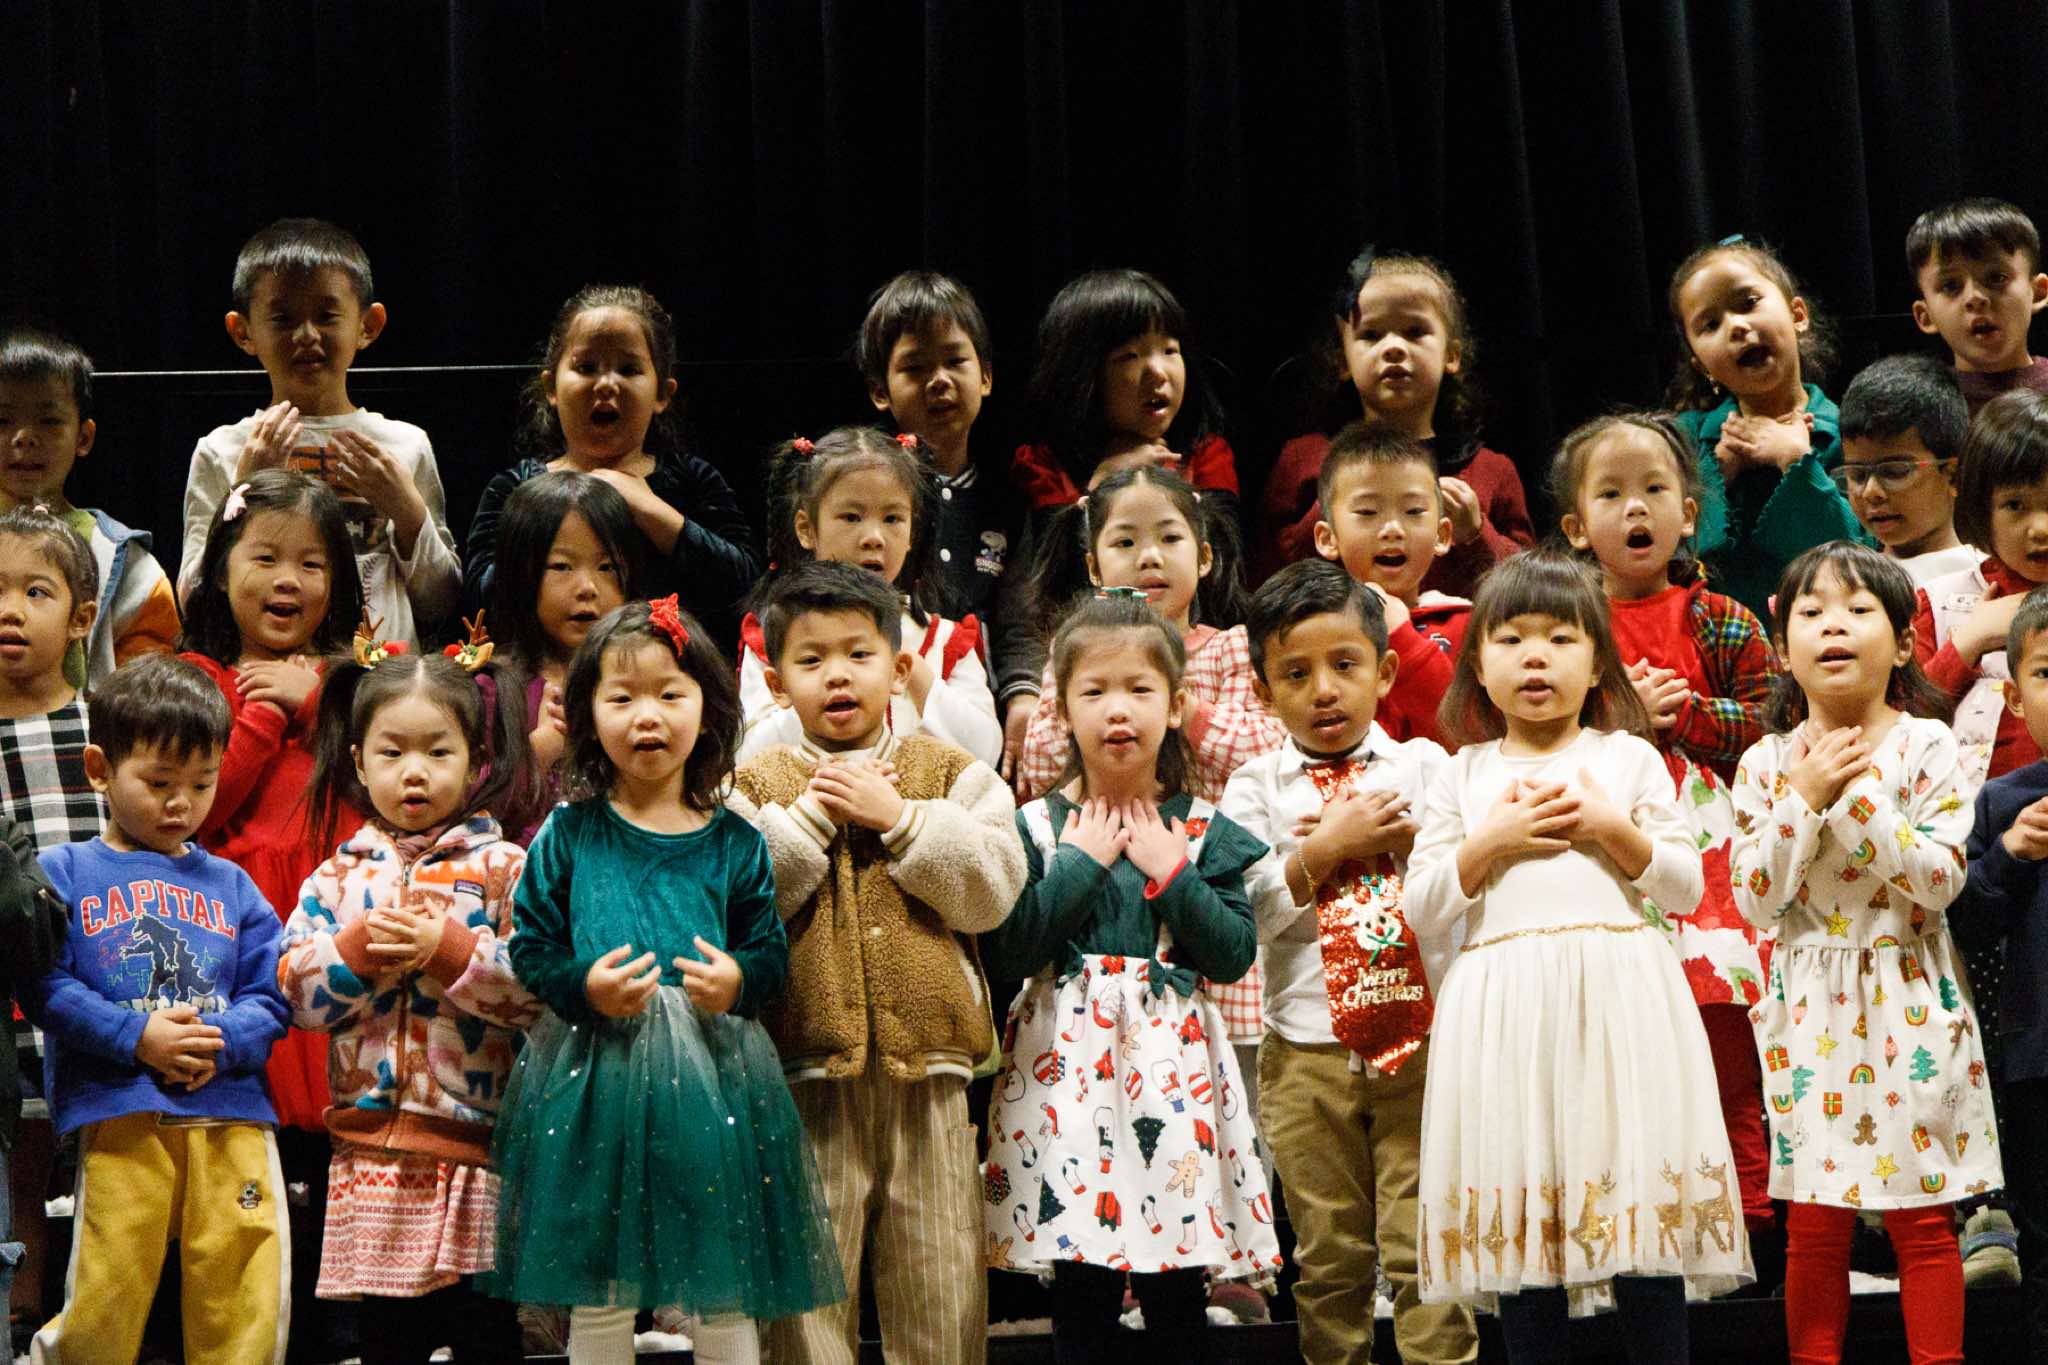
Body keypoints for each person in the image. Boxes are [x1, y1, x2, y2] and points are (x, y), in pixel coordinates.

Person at [1406, 549, 1749, 1363]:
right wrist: (1489, 841)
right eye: (1511, 638)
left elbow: (1681, 885)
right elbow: (1422, 906)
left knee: (1638, 1218)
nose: (1536, 657)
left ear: (1598, 663)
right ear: (1476, 663)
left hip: (1619, 1007)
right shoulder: (1461, 774)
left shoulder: (1626, 759)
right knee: (1527, 1229)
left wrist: (1609, 827)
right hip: (1507, 1015)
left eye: (1560, 638)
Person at [489, 597, 843, 1364]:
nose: (646, 716)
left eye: (669, 694)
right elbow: (533, 948)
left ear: (707, 708)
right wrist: (584, 985)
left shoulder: (736, 841)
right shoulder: (569, 833)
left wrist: (738, 978)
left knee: (723, 1283)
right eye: (621, 697)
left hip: (715, 1080)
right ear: (588, 717)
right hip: (596, 1079)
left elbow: (769, 953)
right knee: (601, 1289)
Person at [726, 561, 1024, 1365]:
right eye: (812, 658)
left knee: (941, 1285)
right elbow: (735, 901)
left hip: (931, 1076)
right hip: (803, 1078)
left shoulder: (951, 773)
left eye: (858, 654)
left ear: (897, 668)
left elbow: (996, 888)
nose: (838, 674)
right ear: (777, 685)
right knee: (806, 1303)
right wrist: (810, 820)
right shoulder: (753, 786)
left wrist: (903, 820)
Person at [982, 588, 1280, 1363]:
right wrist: (1079, 865)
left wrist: (1174, 872)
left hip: (1171, 1078)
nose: (1118, 709)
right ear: (1061, 711)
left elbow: (1232, 952)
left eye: (1139, 689)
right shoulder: (1036, 826)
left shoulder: (1202, 829)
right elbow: (1008, 951)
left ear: (1175, 705)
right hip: (1067, 1079)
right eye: (1095, 691)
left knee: (1176, 1283)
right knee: (1081, 1283)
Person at [1730, 542, 1994, 1365]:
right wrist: (1804, 796)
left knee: (1923, 1218)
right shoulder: (1766, 763)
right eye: (1811, 612)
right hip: (1810, 1012)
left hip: (1908, 995)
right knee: (1814, 1222)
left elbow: (1939, 880)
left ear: (1905, 640)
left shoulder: (1927, 746)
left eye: (1857, 610)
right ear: (1784, 649)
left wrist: (1854, 799)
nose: (1833, 625)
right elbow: (1756, 897)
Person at [1218, 558, 1478, 1364]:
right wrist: (1323, 850)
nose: (1324, 690)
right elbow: (1246, 915)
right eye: (1296, 674)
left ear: (1385, 672)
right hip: (1306, 1050)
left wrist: (1411, 847)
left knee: (1427, 1247)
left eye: (1344, 665)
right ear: (1263, 691)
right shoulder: (1253, 787)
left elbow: (1464, 889)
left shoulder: (1429, 768)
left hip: (1422, 1043)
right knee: (1329, 1255)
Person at [1553, 412, 1783, 1280]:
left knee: (1725, 1054)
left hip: (1711, 868)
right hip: (1612, 855)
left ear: (1688, 512)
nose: (1635, 508)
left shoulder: (1721, 619)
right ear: (1577, 525)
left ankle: (1752, 1221)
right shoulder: (1565, 625)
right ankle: (1635, 1238)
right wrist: (1622, 717)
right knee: (1623, 1062)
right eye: (1611, 493)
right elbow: (1539, 728)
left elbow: (1769, 722)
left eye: (1653, 489)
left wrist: (1681, 715)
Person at [26, 653, 291, 1364]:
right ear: (99, 768)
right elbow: (43, 986)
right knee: (108, 1286)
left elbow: (272, 994)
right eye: (160, 782)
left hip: (229, 1110)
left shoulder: (232, 883)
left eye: (202, 783)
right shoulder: (65, 871)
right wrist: (136, 1035)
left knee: (243, 1282)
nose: (182, 804)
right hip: (119, 1111)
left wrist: (215, 1041)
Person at [279, 650, 540, 1363]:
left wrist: (447, 949)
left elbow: (537, 991)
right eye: (392, 752)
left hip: (477, 1154)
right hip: (374, 1152)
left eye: (438, 751)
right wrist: (356, 950)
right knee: (390, 1339)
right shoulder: (335, 878)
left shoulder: (506, 869)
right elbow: (295, 994)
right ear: (360, 763)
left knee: (487, 1334)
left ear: (478, 760)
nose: (414, 772)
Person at [178, 467, 366, 1355]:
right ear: (220, 570)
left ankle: (339, 1327)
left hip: (337, 942)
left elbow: (394, 771)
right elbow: (200, 804)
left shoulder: (361, 682)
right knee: (255, 1167)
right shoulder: (196, 680)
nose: (288, 580)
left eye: (311, 563)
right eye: (265, 557)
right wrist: (262, 712)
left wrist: (318, 695)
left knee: (336, 1153)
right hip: (240, 947)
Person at [1016, 465, 1280, 1061]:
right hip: (1101, 856)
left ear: (1205, 556)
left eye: (1169, 537)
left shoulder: (1230, 645)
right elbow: (1040, 762)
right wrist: (1104, 683)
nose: (1149, 556)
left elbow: (1264, 748)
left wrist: (1174, 702)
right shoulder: (1073, 649)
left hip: (1193, 869)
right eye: (1125, 541)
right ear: (1094, 568)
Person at [180, 217, 459, 649]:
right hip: (261, 677)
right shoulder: (223, 450)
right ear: (243, 332)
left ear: (368, 325)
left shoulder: (405, 445)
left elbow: (439, 601)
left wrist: (407, 512)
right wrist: (242, 490)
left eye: (327, 316)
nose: (307, 335)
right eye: (282, 318)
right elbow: (193, 602)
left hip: (381, 680)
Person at [1003, 269, 1244, 718]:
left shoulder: (1206, 459)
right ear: (1082, 371)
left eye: (1169, 350)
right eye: (1130, 356)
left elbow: (1222, 590)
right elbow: (1044, 595)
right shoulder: (1046, 468)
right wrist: (1098, 492)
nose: (1158, 371)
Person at [464, 284, 760, 649]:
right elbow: (481, 602)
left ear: (662, 394)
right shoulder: (515, 487)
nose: (606, 384)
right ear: (551, 387)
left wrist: (650, 510)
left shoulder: (693, 480)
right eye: (586, 367)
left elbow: (746, 592)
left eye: (628, 369)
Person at [1256, 245, 1532, 593]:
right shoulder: (1304, 460)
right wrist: (1334, 507)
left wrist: (1477, 534)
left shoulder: (1492, 471)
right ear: (1343, 361)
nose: (1394, 347)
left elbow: (1531, 589)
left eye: (1415, 332)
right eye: (1371, 335)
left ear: (1451, 355)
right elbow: (1269, 578)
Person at [857, 270, 1038, 778]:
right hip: (882, 715)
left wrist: (1024, 694)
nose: (939, 380)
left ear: (986, 376)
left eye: (956, 361)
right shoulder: (863, 494)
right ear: (880, 390)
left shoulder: (1007, 501)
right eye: (915, 367)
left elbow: (1020, 623)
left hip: (978, 721)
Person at [738, 427, 1000, 767]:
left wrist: (908, 666)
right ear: (806, 528)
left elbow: (985, 753)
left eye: (892, 518)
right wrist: (810, 678)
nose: (875, 537)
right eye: (851, 517)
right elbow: (747, 759)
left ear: (912, 531)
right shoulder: (774, 638)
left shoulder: (945, 641)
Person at [1666, 236, 1864, 619]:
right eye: (1711, 324)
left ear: (1797, 315)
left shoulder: (1850, 432)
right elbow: (1659, 559)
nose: (1737, 326)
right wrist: (1715, 473)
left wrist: (1796, 461)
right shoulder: (1683, 442)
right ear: (1701, 365)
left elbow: (1857, 558)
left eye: (1748, 303)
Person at [1953, 584, 2048, 1352]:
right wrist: (2010, 856)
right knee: (2043, 1240)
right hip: (2038, 1059)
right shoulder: (2001, 802)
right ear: (2015, 697)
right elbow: (1967, 922)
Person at [0, 324, 178, 687]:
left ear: (83, 437)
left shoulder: (122, 560)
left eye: (49, 421)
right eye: (2, 420)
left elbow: (150, 689)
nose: (25, 437)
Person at [484, 470, 647, 844]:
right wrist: (542, 749)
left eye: (607, 567)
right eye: (562, 566)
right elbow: (462, 802)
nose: (588, 587)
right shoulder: (495, 688)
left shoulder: (648, 679)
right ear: (521, 574)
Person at [1912, 388, 2048, 788]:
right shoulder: (1937, 603)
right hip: (1966, 817)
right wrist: (1968, 642)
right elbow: (1899, 722)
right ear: (1980, 508)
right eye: (2015, 505)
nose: (2040, 528)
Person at [1310, 423, 1472, 746]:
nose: (1393, 529)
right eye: (1368, 512)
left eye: (1413, 511)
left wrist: (1402, 636)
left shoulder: (1470, 625)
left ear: (1442, 535)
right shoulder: (1311, 632)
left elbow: (1467, 733)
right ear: (1328, 538)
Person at [1836, 355, 1977, 587]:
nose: (1871, 492)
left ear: (1953, 476)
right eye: (1857, 475)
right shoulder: (1841, 583)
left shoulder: (1990, 582)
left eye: (1894, 472)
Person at [1907, 197, 2048, 415]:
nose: (1975, 298)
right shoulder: (1916, 412)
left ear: (2038, 293)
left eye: (1996, 278)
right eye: (1950, 285)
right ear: (1925, 315)